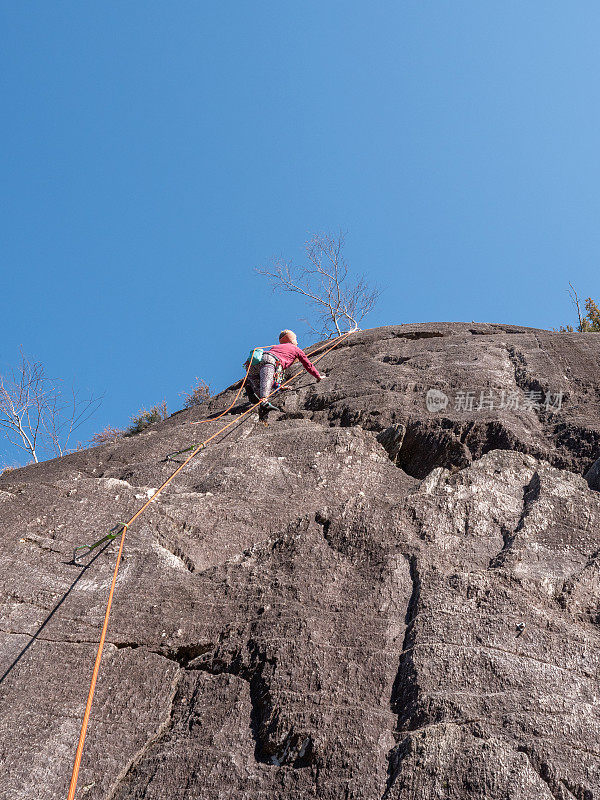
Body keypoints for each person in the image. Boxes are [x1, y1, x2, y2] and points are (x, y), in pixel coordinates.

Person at [246, 330, 324, 420]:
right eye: (296, 339)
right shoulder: (296, 349)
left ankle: (251, 389)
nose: (297, 342)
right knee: (267, 379)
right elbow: (308, 364)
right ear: (290, 340)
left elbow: (270, 380)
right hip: (270, 360)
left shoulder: (276, 347)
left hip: (254, 363)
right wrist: (318, 376)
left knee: (260, 382)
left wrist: (281, 387)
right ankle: (264, 401)